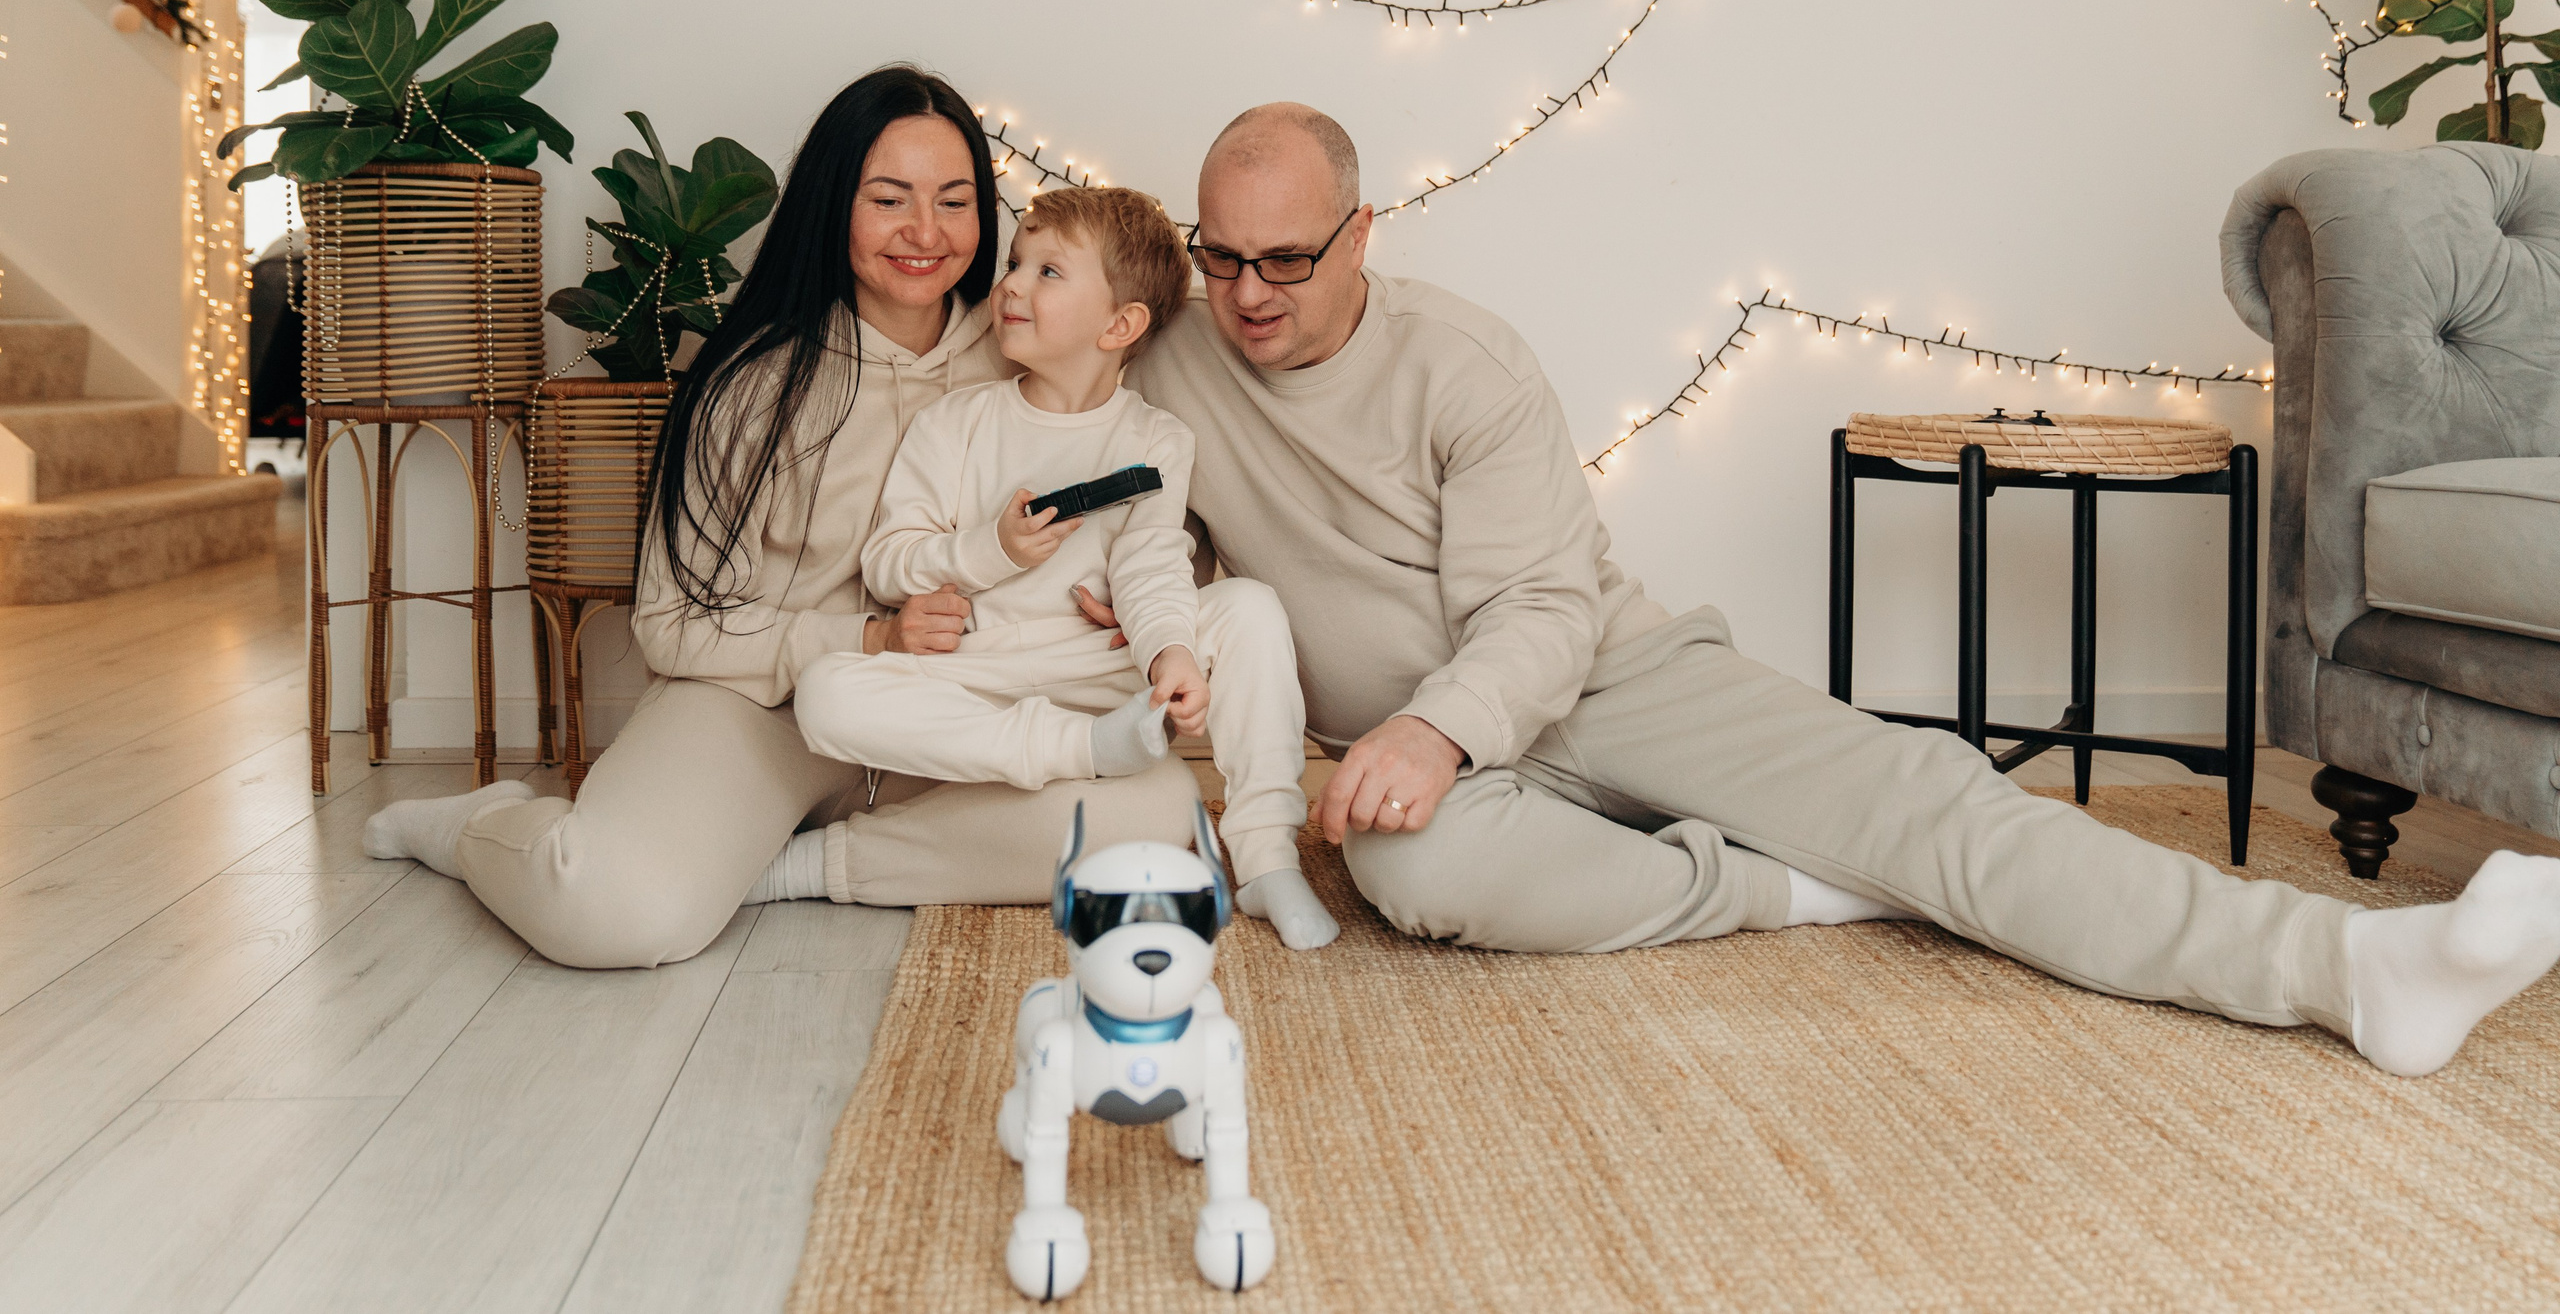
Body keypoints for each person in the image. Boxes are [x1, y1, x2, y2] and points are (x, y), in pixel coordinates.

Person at [1115, 101, 2560, 1078]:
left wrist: (1437, 728)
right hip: (1429, 767)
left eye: (1287, 259)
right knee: (1411, 876)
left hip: (1603, 677)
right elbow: (1110, 468)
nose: (1249, 292)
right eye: (1221, 255)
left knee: (1933, 808)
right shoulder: (1169, 352)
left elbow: (1542, 615)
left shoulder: (1466, 362)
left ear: (1363, 232)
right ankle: (1788, 886)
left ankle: (2351, 966)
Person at [358, 65, 1198, 968]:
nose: (927, 232)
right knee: (613, 910)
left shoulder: (1031, 349)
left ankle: (809, 864)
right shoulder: (759, 381)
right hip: (766, 708)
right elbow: (671, 626)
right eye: (890, 199)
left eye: (955, 202)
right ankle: (487, 825)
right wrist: (868, 641)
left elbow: (1144, 511)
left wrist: (1118, 594)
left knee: (1158, 817)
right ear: (835, 204)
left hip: (961, 713)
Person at [778, 185, 1339, 948]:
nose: (1009, 283)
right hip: (977, 674)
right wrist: (991, 549)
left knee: (1248, 607)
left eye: (1047, 272)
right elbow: (887, 563)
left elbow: (1150, 566)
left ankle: (1270, 856)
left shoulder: (1157, 439)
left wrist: (1171, 651)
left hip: (1095, 670)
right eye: (1015, 263)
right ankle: (1076, 755)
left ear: (1120, 323)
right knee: (826, 692)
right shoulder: (956, 424)